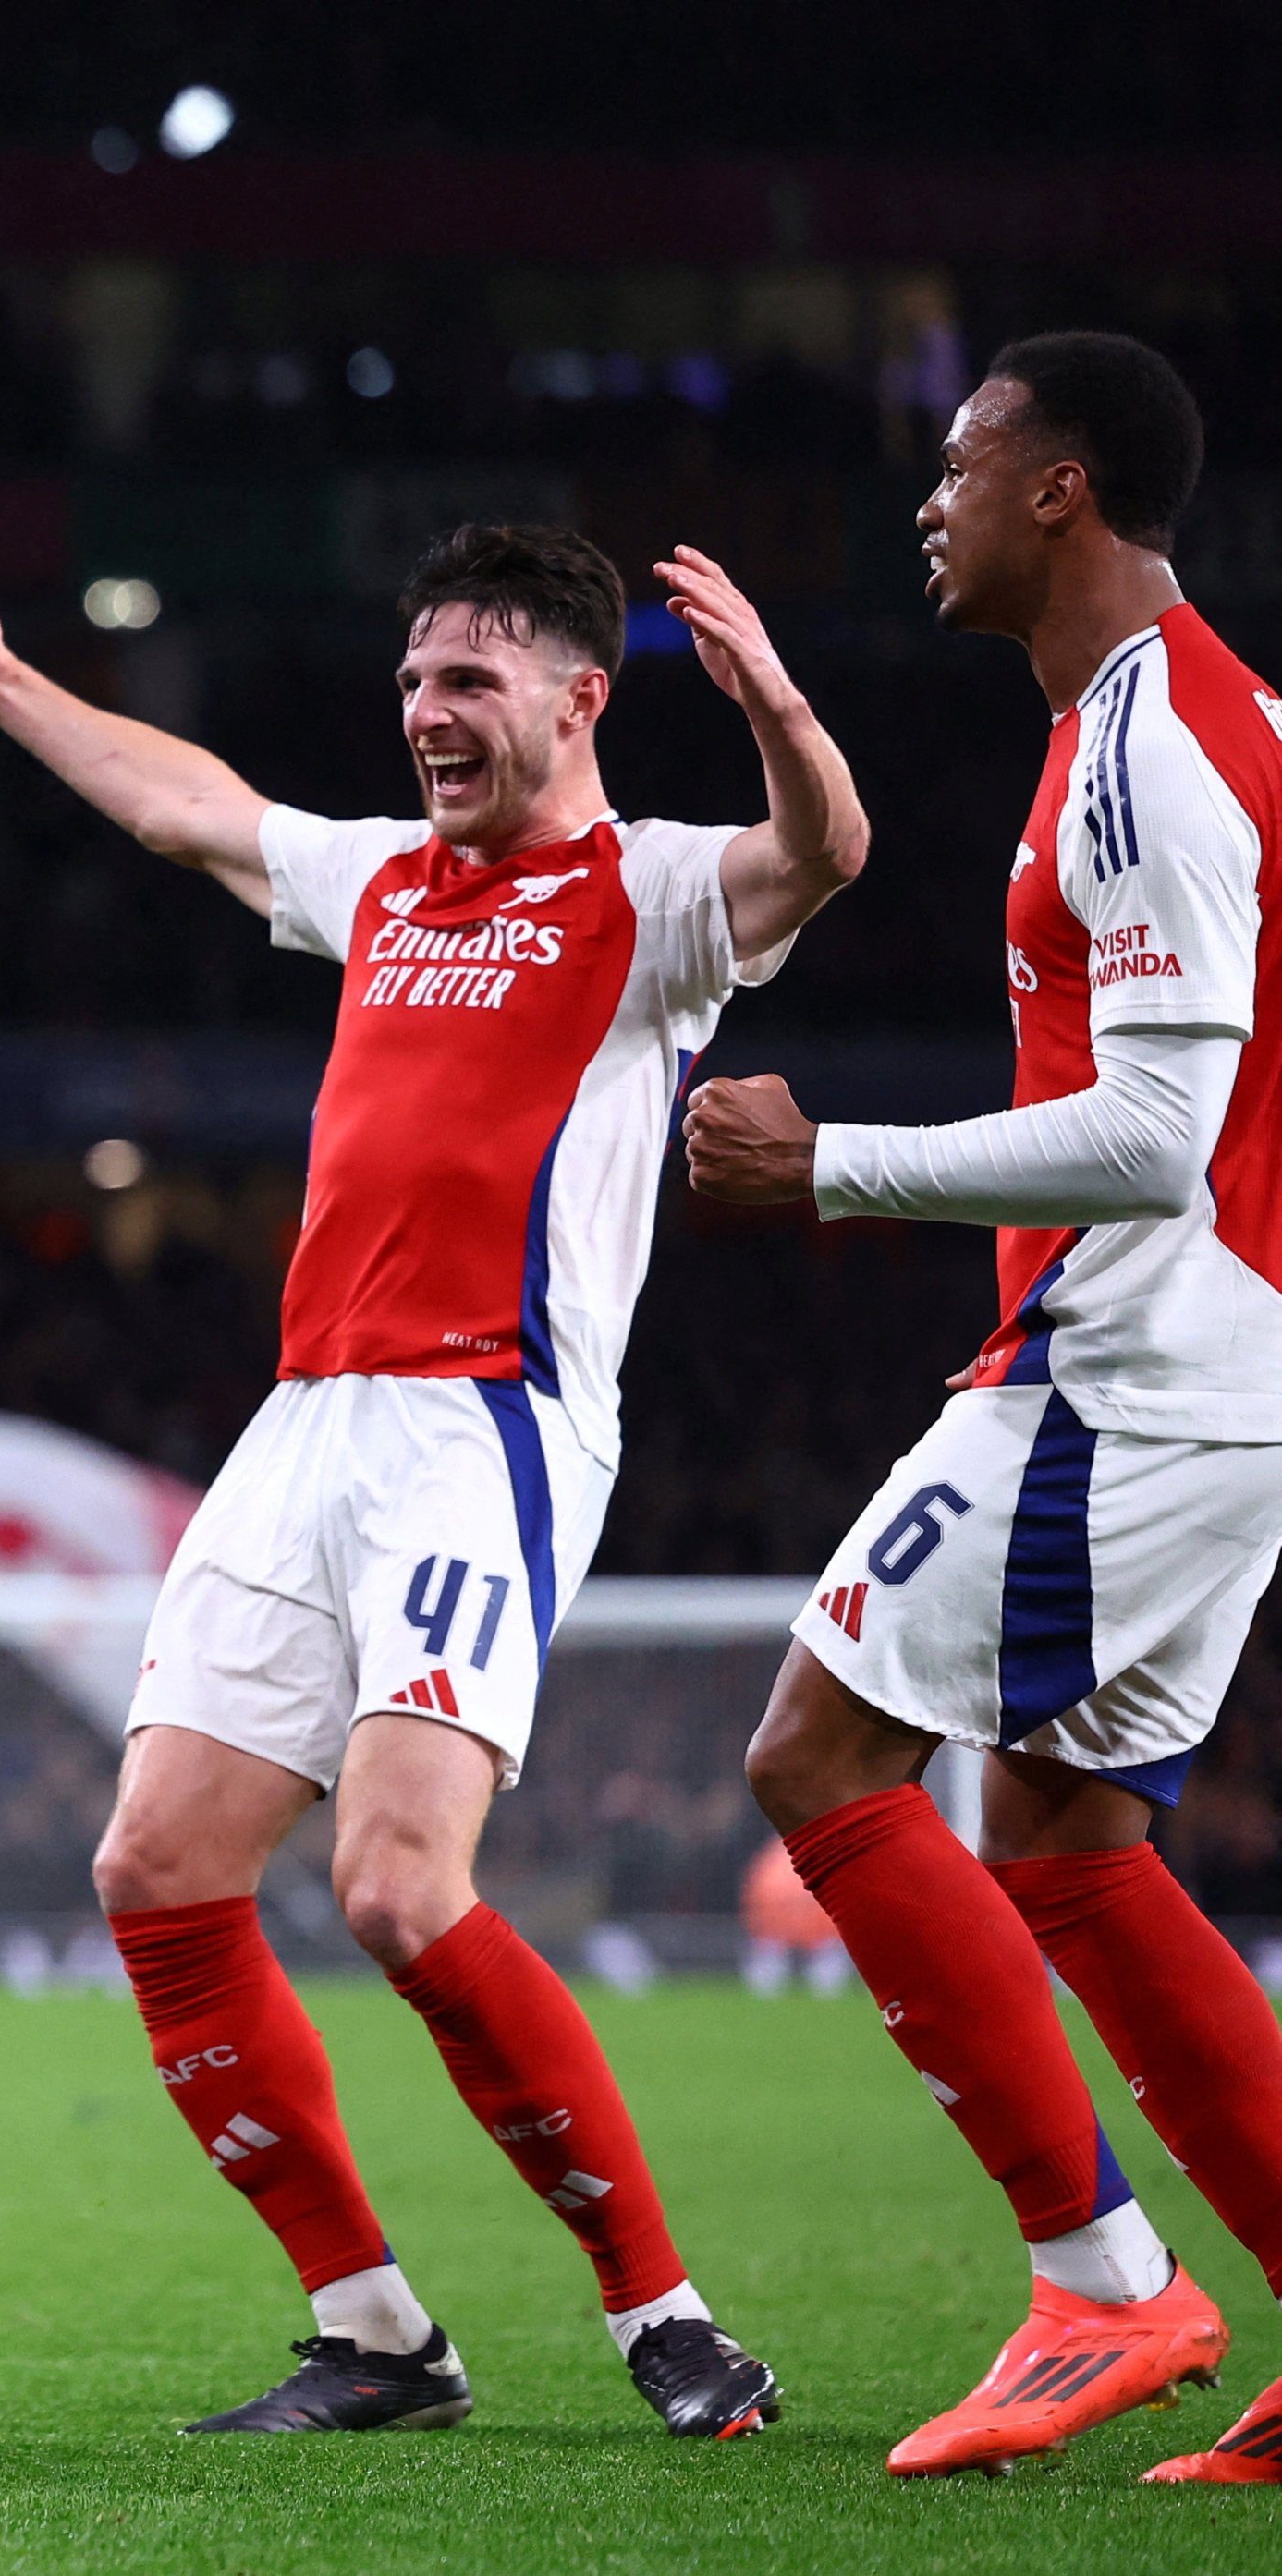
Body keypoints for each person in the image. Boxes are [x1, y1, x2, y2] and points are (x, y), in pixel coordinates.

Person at [0, 517, 862, 2436]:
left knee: (397, 1882)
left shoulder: (646, 898)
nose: (423, 713)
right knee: (151, 1868)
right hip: (301, 1417)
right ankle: (375, 2331)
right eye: (409, 679)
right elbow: (192, 810)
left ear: (578, 698)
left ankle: (657, 2306)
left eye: (465, 680)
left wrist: (776, 708)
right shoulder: (384, 883)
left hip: (478, 1431)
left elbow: (819, 852)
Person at [690, 331, 1282, 2484]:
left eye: (958, 459)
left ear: (1061, 488)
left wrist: (824, 1159)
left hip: (1133, 1362)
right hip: (1216, 1360)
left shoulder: (1145, 747)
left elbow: (1148, 1128)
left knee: (818, 1744)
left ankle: (1102, 2285)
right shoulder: (1200, 721)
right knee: (1063, 1829)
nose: (925, 497)